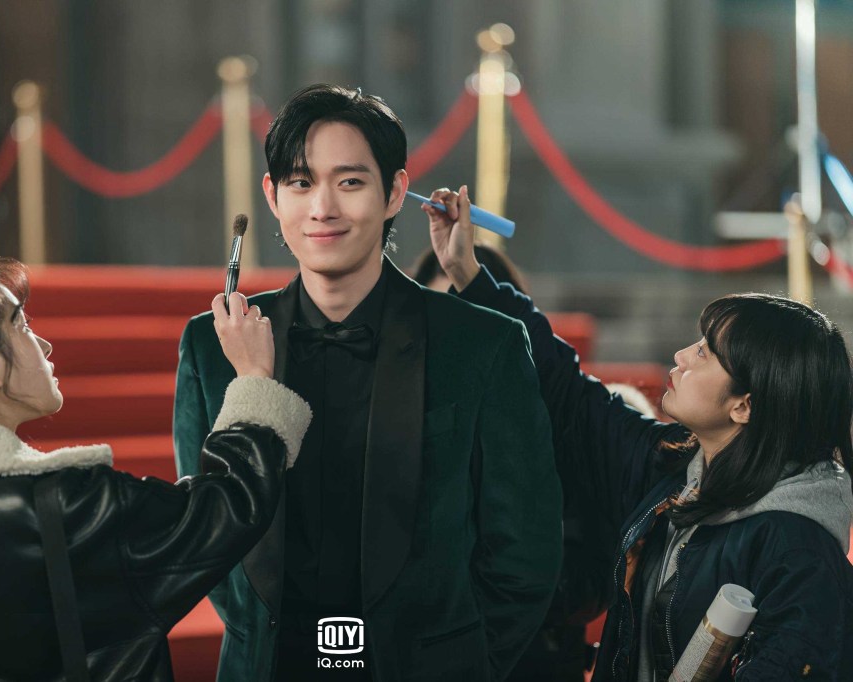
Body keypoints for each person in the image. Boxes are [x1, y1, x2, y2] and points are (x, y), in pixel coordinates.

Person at [174, 84, 562, 682]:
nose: (322, 208)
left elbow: (526, 550)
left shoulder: (484, 343)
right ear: (272, 197)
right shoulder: (214, 344)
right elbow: (208, 533)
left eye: (350, 182)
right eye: (301, 183)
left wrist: (461, 661)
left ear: (395, 193)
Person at [421, 186, 853, 681]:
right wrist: (466, 271)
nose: (681, 357)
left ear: (745, 405)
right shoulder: (673, 472)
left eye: (705, 353)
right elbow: (572, 398)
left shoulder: (799, 555)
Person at [0, 259, 312, 682]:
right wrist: (253, 376)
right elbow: (228, 507)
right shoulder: (70, 504)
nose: (43, 344)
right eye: (21, 326)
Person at [413, 243, 616, 682]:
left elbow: (591, 574)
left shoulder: (558, 419)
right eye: (442, 316)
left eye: (470, 316)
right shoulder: (398, 414)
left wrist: (498, 598)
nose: (456, 336)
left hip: (534, 655)